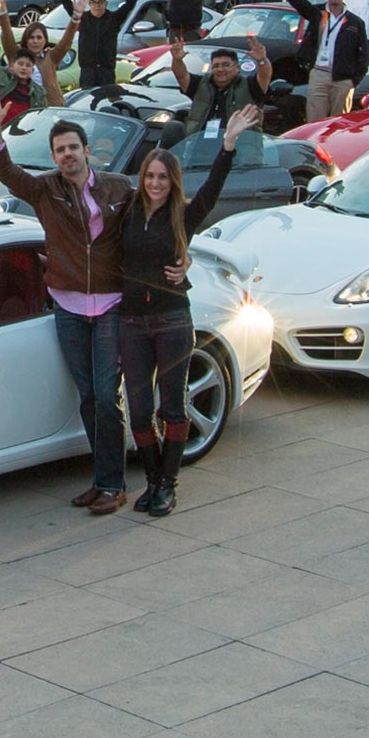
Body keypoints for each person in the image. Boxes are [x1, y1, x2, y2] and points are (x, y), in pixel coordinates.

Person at [0, 102, 139, 509]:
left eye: (73, 147)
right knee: (87, 396)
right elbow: (6, 173)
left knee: (106, 395)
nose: (67, 154)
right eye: (60, 150)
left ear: (88, 152)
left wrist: (175, 259)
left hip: (110, 304)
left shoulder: (118, 188)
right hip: (68, 306)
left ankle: (114, 485)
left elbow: (152, 225)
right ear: (53, 157)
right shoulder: (45, 189)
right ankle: (102, 478)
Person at [103, 105, 256, 518]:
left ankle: (168, 485)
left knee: (173, 407)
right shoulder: (128, 214)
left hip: (172, 320)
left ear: (173, 181)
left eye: (162, 177)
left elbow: (213, 189)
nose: (155, 183)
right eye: (150, 176)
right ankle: (151, 480)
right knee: (138, 410)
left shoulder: (183, 216)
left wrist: (228, 144)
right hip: (132, 323)